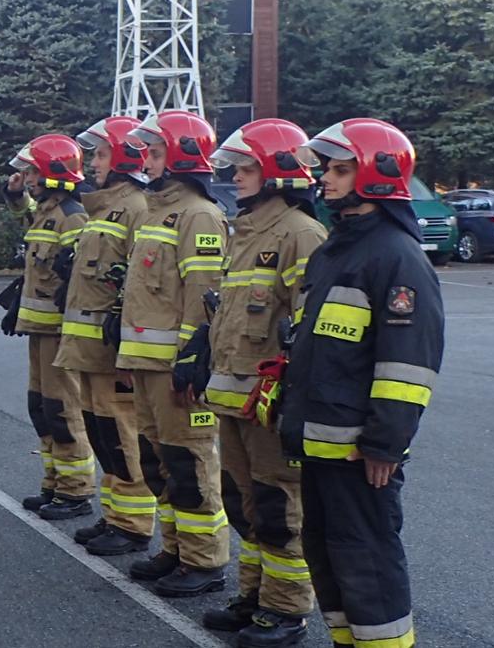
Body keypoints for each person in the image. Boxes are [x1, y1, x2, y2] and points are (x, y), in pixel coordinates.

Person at [282, 118, 442, 648]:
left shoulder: (397, 256)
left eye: (340, 169)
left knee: (367, 563)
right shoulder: (335, 251)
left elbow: (408, 365)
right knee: (328, 556)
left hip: (358, 452)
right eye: (326, 167)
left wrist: (383, 444)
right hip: (319, 442)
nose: (325, 178)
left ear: (376, 174)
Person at [195, 119, 327, 647]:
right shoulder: (245, 231)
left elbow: (308, 328)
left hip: (269, 403)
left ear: (276, 172)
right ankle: (253, 595)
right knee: (242, 501)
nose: (237, 176)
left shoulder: (299, 233)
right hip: (231, 398)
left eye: (247, 167)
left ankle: (286, 608)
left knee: (278, 506)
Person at [114, 110, 232, 598]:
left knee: (189, 462)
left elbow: (203, 294)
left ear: (183, 156)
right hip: (146, 365)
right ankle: (176, 549)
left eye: (157, 152)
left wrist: (192, 358)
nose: (148, 160)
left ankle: (204, 561)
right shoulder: (158, 211)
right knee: (158, 459)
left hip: (175, 369)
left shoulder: (199, 214)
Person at [56, 117, 160, 558]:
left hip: (114, 351)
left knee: (124, 435)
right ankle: (115, 513)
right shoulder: (105, 208)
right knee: (104, 435)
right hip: (90, 350)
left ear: (121, 157)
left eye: (99, 154)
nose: (91, 163)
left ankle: (134, 523)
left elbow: (139, 281)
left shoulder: (136, 206)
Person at [2, 135, 94, 520]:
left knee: (62, 410)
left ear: (54, 174)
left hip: (59, 332)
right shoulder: (47, 211)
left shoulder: (73, 215)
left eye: (32, 171)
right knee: (40, 408)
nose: (27, 177)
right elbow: (27, 218)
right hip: (39, 330)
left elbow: (79, 276)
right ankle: (54, 483)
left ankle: (76, 492)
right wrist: (14, 194)